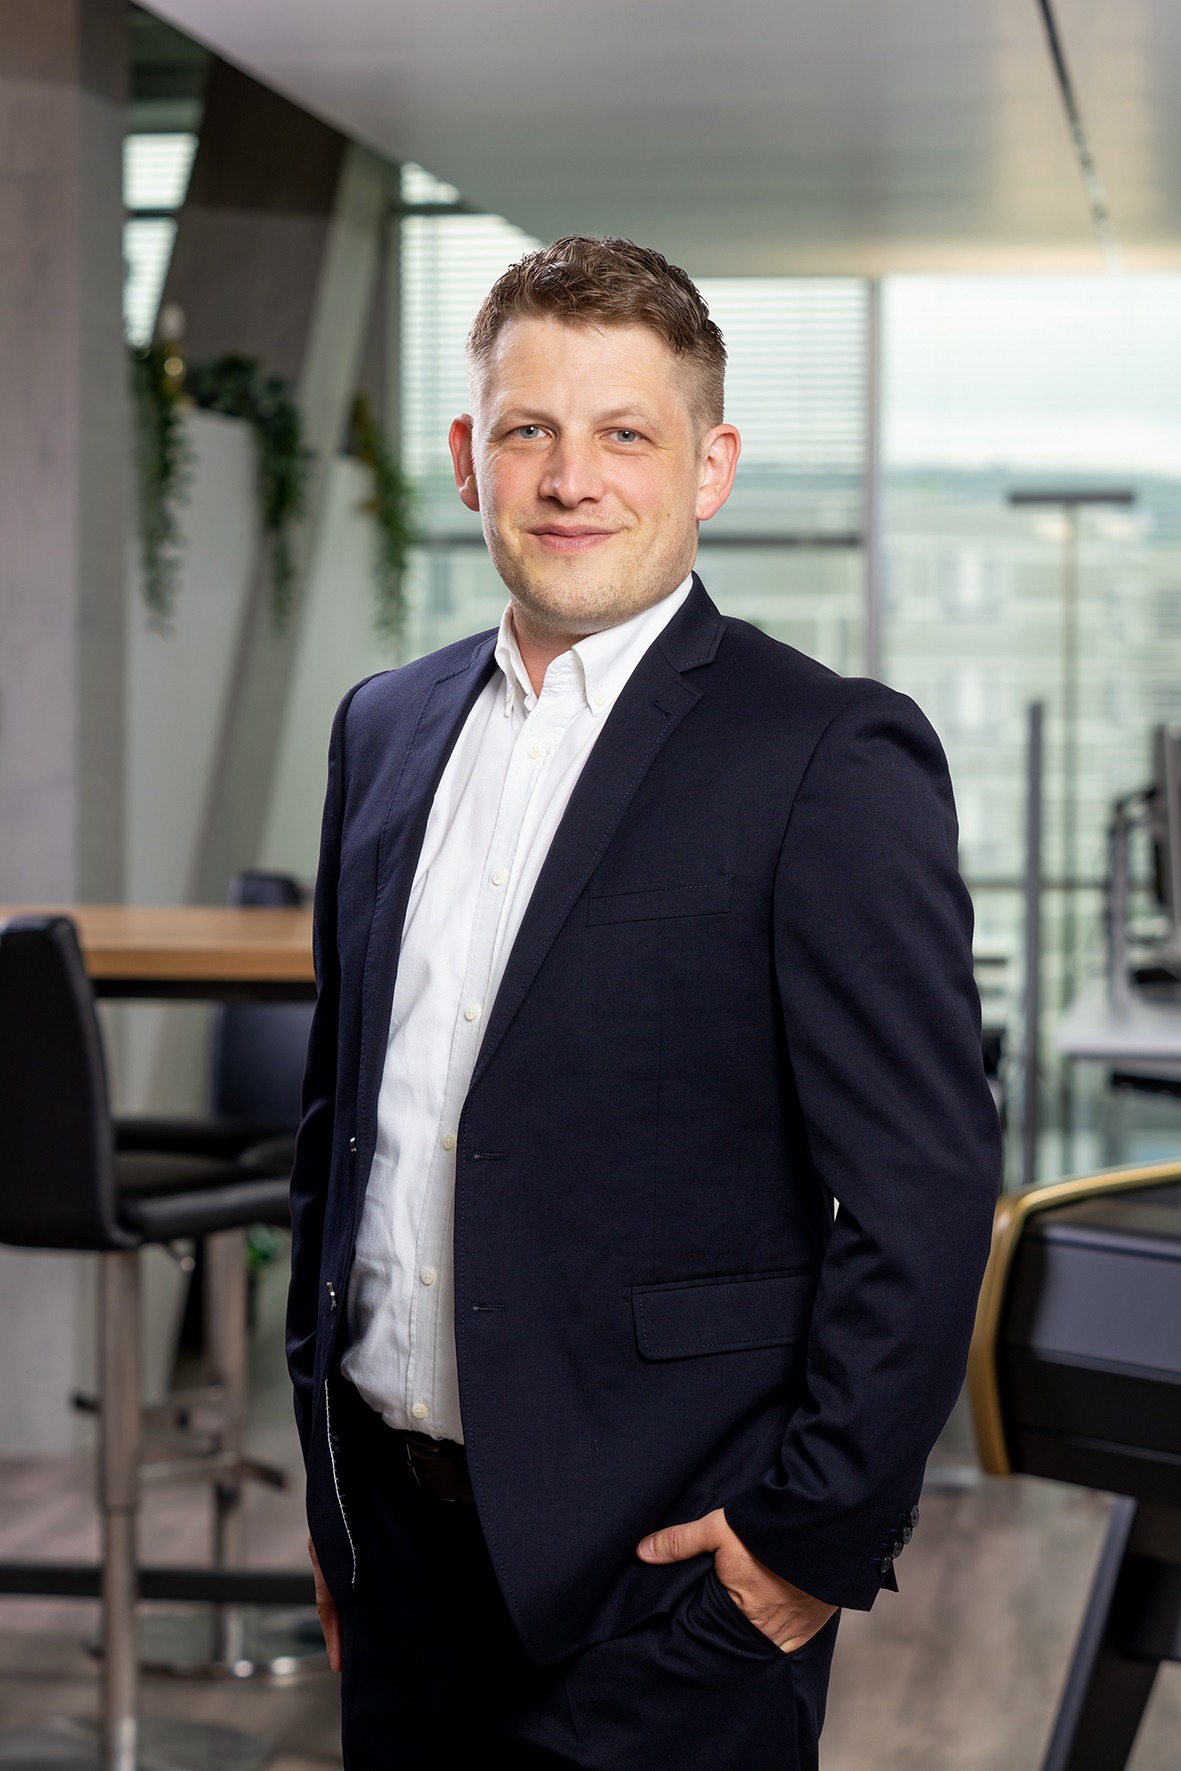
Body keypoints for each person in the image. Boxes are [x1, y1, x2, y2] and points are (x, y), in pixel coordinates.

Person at [287, 236, 1001, 1769]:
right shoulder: (383, 728)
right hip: (399, 1557)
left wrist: (805, 1540)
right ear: (468, 456)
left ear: (708, 467)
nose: (570, 479)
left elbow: (923, 1189)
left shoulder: (823, 753)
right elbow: (342, 1129)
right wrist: (333, 1510)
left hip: (666, 1587)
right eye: (529, 430)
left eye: (625, 433)